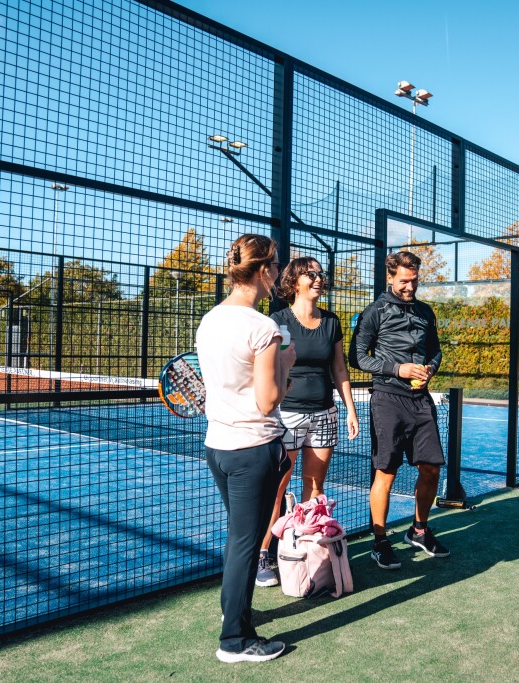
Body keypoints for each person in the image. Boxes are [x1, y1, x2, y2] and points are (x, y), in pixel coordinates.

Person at [195, 234, 296, 663]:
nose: (277, 275)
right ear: (263, 270)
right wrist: (287, 362)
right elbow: (269, 399)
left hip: (218, 447)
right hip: (253, 448)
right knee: (245, 541)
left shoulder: (209, 319)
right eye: (275, 267)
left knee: (239, 538)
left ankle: (233, 615)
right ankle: (234, 641)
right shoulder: (262, 327)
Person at [255, 256, 360, 587]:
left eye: (319, 274)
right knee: (277, 487)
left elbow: (339, 369)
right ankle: (263, 554)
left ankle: (303, 548)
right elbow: (268, 368)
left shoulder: (331, 322)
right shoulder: (278, 320)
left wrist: (350, 409)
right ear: (294, 281)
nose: (318, 278)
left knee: (314, 488)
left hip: (324, 414)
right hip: (286, 415)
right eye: (310, 274)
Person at [349, 250, 449, 570]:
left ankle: (419, 530)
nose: (410, 286)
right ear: (390, 277)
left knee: (432, 467)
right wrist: (398, 369)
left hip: (421, 401)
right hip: (387, 399)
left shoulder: (424, 311)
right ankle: (380, 541)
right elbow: (358, 358)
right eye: (404, 281)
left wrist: (430, 369)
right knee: (386, 473)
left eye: (415, 280)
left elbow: (434, 351)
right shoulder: (374, 312)